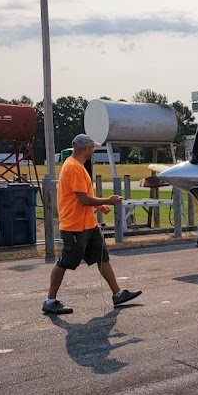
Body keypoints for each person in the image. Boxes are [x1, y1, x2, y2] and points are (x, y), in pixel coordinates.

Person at [43, 134, 142, 315]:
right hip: (74, 225)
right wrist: (108, 200)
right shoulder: (74, 167)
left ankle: (117, 294)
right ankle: (50, 300)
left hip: (88, 224)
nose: (94, 151)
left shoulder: (76, 165)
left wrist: (99, 206)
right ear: (86, 148)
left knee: (102, 256)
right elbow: (83, 199)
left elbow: (83, 196)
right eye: (93, 148)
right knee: (65, 261)